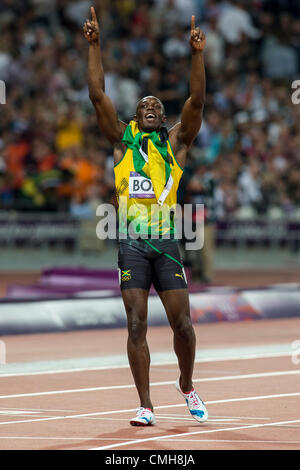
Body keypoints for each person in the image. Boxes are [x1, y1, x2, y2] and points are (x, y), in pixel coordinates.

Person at [83, 7, 208, 426]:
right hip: (132, 246)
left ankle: (187, 386)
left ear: (163, 117)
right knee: (136, 326)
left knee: (184, 327)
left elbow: (197, 101)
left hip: (167, 245)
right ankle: (146, 405)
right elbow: (98, 95)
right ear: (136, 117)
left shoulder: (175, 145)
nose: (151, 105)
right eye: (144, 104)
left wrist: (196, 56)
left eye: (156, 104)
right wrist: (95, 45)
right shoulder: (121, 142)